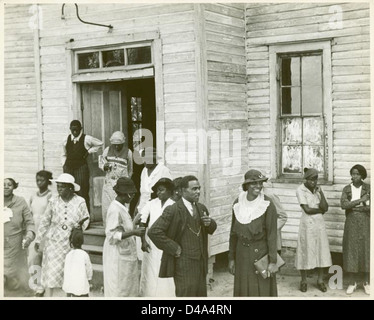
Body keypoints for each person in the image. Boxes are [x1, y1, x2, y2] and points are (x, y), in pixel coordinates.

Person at [148, 175, 217, 297]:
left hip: (200, 263)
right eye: (194, 189)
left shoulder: (201, 208)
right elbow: (154, 231)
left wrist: (210, 223)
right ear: (183, 191)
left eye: (199, 188)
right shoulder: (173, 209)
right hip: (183, 265)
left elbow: (211, 229)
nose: (198, 191)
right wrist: (174, 248)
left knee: (200, 295)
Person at [34, 173, 90, 297]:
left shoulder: (80, 201)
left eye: (62, 187)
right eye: (58, 186)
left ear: (70, 188)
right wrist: (38, 239)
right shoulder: (53, 201)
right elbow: (45, 220)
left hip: (71, 242)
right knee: (51, 272)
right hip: (54, 241)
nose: (59, 189)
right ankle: (49, 296)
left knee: (69, 272)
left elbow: (86, 218)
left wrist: (80, 227)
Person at [228, 170, 278, 297]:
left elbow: (272, 234)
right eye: (253, 183)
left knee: (261, 290)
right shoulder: (237, 203)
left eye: (260, 183)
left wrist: (273, 261)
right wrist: (231, 258)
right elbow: (233, 234)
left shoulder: (267, 204)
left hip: (260, 254)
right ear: (246, 185)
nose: (258, 186)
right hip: (242, 255)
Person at [103, 177, 145, 297]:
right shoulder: (115, 209)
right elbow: (111, 236)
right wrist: (133, 232)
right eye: (130, 194)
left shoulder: (122, 207)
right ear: (123, 194)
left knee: (127, 285)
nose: (132, 197)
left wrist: (134, 222)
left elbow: (124, 227)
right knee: (119, 286)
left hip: (125, 251)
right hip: (117, 254)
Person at [295, 168, 331, 293]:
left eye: (315, 179)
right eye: (311, 179)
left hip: (319, 224)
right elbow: (307, 210)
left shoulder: (317, 190)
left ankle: (320, 280)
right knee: (305, 250)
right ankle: (304, 280)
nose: (313, 182)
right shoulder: (300, 190)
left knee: (321, 250)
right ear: (306, 179)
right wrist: (321, 211)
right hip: (307, 224)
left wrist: (321, 193)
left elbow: (325, 207)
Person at [139, 178, 176, 297]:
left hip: (166, 242)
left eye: (162, 190)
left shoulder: (174, 205)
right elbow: (142, 222)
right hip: (150, 242)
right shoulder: (151, 203)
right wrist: (143, 241)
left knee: (165, 269)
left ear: (170, 191)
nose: (159, 193)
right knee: (150, 271)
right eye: (157, 191)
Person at [134, 147, 172, 260]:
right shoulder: (144, 171)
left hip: (157, 205)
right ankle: (144, 260)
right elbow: (142, 191)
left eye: (147, 159)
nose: (145, 162)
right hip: (143, 205)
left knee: (153, 230)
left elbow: (169, 190)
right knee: (141, 230)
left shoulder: (163, 170)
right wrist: (137, 206)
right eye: (143, 159)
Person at [340, 164, 370, 295]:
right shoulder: (347, 188)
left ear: (362, 175)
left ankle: (366, 282)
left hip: (365, 222)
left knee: (365, 249)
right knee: (351, 250)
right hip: (351, 222)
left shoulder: (368, 188)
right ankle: (352, 282)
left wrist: (354, 206)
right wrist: (360, 201)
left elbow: (370, 208)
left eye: (357, 174)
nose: (354, 176)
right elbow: (343, 205)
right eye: (353, 173)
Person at [62, 119, 103, 213]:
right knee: (68, 191)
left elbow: (100, 144)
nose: (75, 131)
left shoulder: (86, 138)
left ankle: (85, 218)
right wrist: (64, 164)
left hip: (81, 168)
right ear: (70, 129)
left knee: (82, 192)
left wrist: (89, 151)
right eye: (73, 130)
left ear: (81, 129)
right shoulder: (66, 139)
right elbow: (63, 154)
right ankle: (71, 216)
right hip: (68, 168)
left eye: (77, 129)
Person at [4, 178, 35, 295]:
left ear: (14, 186)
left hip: (16, 247)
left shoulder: (20, 202)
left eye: (9, 184)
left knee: (20, 282)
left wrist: (29, 236)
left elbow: (30, 222)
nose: (6, 187)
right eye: (3, 184)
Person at [99, 131, 133, 226]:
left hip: (121, 185)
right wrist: (104, 167)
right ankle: (108, 230)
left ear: (123, 143)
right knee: (107, 208)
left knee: (121, 208)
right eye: (115, 145)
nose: (117, 147)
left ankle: (122, 230)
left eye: (119, 145)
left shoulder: (128, 152)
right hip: (109, 184)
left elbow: (130, 169)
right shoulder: (107, 150)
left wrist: (126, 182)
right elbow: (101, 162)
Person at [28, 170, 53, 297]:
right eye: (37, 179)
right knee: (33, 259)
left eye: (42, 180)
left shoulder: (50, 196)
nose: (39, 182)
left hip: (46, 232)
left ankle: (44, 286)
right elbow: (30, 215)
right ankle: (37, 286)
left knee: (45, 259)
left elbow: (51, 216)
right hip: (35, 231)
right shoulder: (33, 196)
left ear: (48, 181)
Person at [62, 217, 93, 297]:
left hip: (70, 284)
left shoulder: (68, 255)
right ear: (82, 241)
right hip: (81, 285)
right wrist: (89, 279)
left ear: (71, 243)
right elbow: (89, 269)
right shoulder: (84, 255)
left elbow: (66, 270)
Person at [263, 187, 288, 256]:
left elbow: (283, 216)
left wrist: (271, 230)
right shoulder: (247, 198)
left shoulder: (269, 195)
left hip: (271, 242)